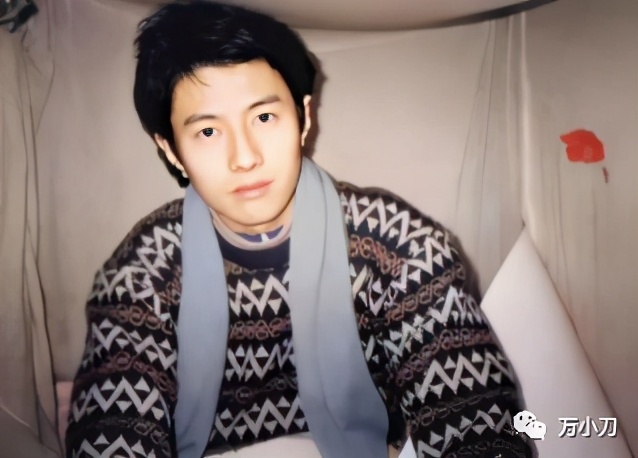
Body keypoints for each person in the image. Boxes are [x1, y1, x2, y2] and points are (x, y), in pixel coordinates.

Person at [65, 1, 536, 457]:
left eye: (264, 117)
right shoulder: (144, 269)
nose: (244, 157)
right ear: (171, 151)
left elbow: (475, 416)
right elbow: (112, 425)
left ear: (304, 117)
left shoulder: (398, 244)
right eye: (208, 132)